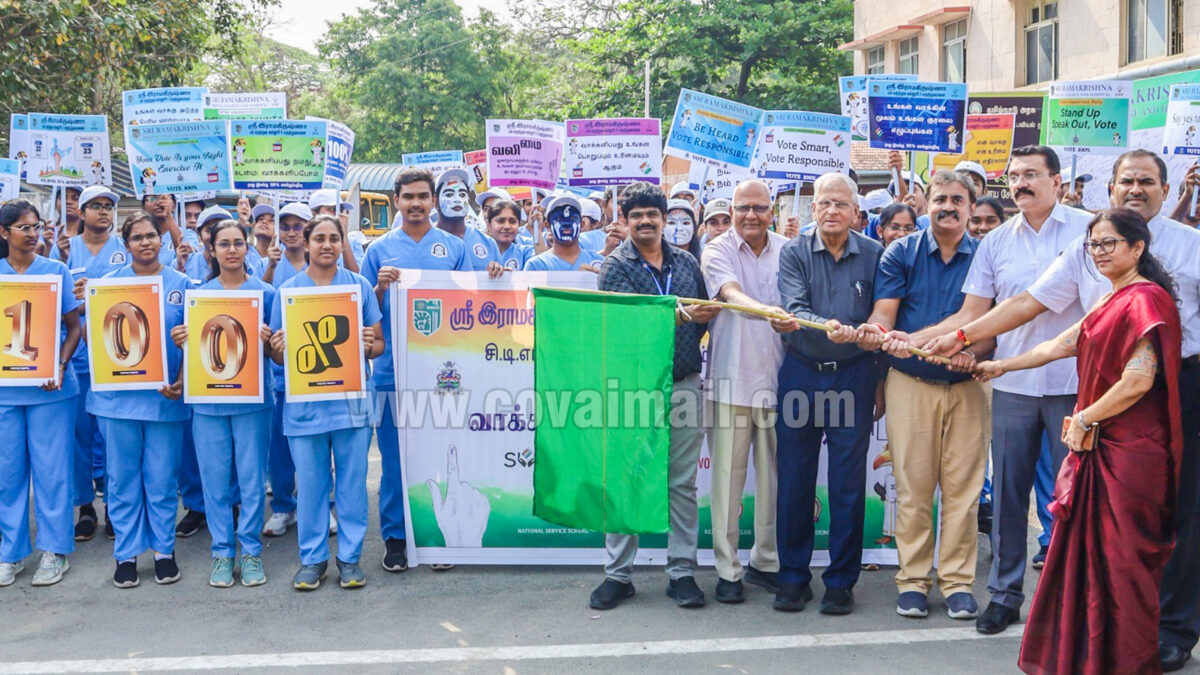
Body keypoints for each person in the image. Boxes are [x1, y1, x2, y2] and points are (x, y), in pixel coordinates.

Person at [926, 148, 1200, 669]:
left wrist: (1087, 417)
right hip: (1099, 399)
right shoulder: (1095, 256)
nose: (1135, 189)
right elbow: (1038, 312)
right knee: (1098, 526)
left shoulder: (1181, 258)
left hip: (1171, 393)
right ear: (1111, 189)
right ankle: (1104, 628)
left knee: (1172, 517)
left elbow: (1140, 376)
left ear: (1166, 189)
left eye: (1147, 181)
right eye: (1126, 181)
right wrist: (976, 347)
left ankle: (1170, 628)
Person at [969, 209, 1182, 675]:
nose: (1100, 252)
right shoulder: (1110, 299)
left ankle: (1126, 660)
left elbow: (1138, 381)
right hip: (1100, 443)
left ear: (1137, 248)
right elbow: (1063, 343)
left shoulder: (1146, 300)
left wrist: (1083, 417)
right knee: (1090, 554)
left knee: (1124, 560)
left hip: (1131, 452)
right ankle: (1091, 654)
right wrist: (1003, 365)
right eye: (1094, 245)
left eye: (1109, 243)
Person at [917, 145, 1094, 635]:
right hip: (1012, 382)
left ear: (1057, 180)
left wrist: (956, 339)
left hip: (1076, 384)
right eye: (1014, 176)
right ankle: (1004, 593)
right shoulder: (994, 242)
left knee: (1071, 497)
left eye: (1032, 175)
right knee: (1010, 497)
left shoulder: (1088, 232)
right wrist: (938, 344)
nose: (1020, 183)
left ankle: (1071, 595)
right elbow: (976, 316)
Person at [857, 171, 992, 620]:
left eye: (958, 199)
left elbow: (995, 321)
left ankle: (956, 582)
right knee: (913, 488)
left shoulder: (988, 254)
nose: (949, 206)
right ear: (924, 205)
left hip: (969, 385)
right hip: (911, 382)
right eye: (940, 199)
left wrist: (973, 351)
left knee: (964, 490)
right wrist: (882, 334)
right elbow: (884, 311)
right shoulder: (901, 251)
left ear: (973, 208)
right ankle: (912, 581)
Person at [590, 181, 719, 610]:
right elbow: (630, 326)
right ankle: (618, 574)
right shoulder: (615, 266)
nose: (646, 221)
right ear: (624, 220)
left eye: (653, 214)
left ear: (665, 219)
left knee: (681, 484)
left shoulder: (687, 262)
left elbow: (703, 321)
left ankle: (681, 571)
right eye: (637, 214)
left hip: (683, 383)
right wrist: (682, 315)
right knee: (626, 479)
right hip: (633, 389)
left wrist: (691, 318)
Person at [774, 172, 884, 615]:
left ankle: (841, 581)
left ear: (857, 212)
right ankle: (793, 577)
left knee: (847, 485)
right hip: (802, 374)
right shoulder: (795, 253)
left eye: (841, 203)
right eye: (824, 203)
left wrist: (877, 376)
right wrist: (829, 327)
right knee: (795, 482)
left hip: (853, 377)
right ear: (812, 209)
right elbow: (794, 306)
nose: (832, 211)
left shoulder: (877, 255)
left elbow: (884, 317)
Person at [361, 168, 469, 574]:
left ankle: (439, 535)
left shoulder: (453, 247)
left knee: (442, 455)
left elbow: (471, 304)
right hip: (392, 372)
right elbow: (365, 312)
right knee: (394, 459)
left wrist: (495, 277)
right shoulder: (379, 252)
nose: (417, 203)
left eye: (424, 196)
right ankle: (395, 537)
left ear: (434, 200)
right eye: (409, 197)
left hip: (443, 373)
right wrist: (380, 290)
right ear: (396, 201)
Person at [269, 214, 383, 590]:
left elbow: (378, 343)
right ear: (306, 241)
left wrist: (370, 345)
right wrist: (278, 349)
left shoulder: (360, 287)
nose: (327, 245)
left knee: (351, 486)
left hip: (351, 403)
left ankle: (349, 558)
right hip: (306, 406)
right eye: (319, 238)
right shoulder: (287, 291)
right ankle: (313, 559)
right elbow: (276, 356)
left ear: (341, 243)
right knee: (313, 486)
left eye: (334, 238)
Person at [85, 211, 192, 588]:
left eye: (151, 235)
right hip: (118, 401)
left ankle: (164, 550)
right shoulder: (106, 286)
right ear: (125, 243)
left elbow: (197, 345)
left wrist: (181, 379)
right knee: (122, 479)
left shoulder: (184, 284)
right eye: (137, 237)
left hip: (165, 400)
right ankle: (126, 553)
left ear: (161, 239)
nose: (145, 242)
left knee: (162, 479)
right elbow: (93, 340)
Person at [699, 180, 791, 603]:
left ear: (772, 210)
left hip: (781, 381)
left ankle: (766, 561)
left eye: (759, 207)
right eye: (743, 208)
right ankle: (727, 569)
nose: (751, 215)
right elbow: (729, 294)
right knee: (726, 483)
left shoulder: (790, 250)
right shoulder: (717, 249)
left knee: (775, 481)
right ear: (731, 210)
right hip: (730, 382)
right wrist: (764, 310)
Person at [171, 219, 275, 588]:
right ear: (211, 251)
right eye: (224, 244)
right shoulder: (197, 298)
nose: (232, 250)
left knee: (250, 481)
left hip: (253, 402)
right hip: (209, 403)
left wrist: (268, 341)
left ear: (247, 248)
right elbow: (194, 351)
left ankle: (249, 551)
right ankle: (221, 552)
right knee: (215, 481)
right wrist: (181, 337)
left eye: (238, 243)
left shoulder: (265, 294)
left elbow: (277, 357)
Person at [0, 200, 82, 587]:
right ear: (4, 233)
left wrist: (61, 365)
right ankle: (10, 552)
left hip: (49, 390)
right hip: (5, 392)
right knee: (8, 474)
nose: (33, 234)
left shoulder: (56, 271)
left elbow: (74, 327)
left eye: (36, 227)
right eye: (24, 228)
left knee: (52, 472)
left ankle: (55, 550)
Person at [65, 185, 127, 542]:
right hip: (75, 358)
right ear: (82, 212)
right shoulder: (64, 250)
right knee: (79, 436)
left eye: (109, 207)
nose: (104, 212)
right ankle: (85, 507)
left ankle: (113, 508)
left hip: (113, 356)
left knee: (112, 437)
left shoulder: (124, 250)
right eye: (97, 206)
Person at [258, 202, 314, 540]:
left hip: (317, 371)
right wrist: (269, 266)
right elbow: (260, 305)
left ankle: (320, 505)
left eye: (298, 226)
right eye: (286, 225)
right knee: (279, 446)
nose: (291, 231)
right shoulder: (269, 263)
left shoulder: (320, 262)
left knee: (317, 445)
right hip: (279, 372)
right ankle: (283, 506)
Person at [434, 169, 500, 271]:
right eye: (449, 194)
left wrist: (503, 273)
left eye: (462, 194)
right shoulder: (426, 240)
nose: (457, 199)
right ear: (436, 202)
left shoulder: (488, 243)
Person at [523, 195, 603, 272]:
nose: (566, 223)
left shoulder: (599, 262)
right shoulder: (536, 266)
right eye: (559, 218)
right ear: (547, 225)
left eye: (572, 218)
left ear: (582, 224)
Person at [308, 189, 360, 272]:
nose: (337, 214)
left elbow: (356, 277)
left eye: (340, 209)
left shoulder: (353, 242)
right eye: (332, 209)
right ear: (315, 214)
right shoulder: (306, 242)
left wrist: (344, 239)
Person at [486, 200, 532, 271]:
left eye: (512, 222)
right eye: (500, 221)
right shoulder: (479, 253)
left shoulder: (526, 252)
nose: (507, 226)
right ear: (489, 225)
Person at [248, 203, 275, 274]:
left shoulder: (285, 256)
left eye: (271, 221)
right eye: (261, 219)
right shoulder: (245, 254)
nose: (264, 222)